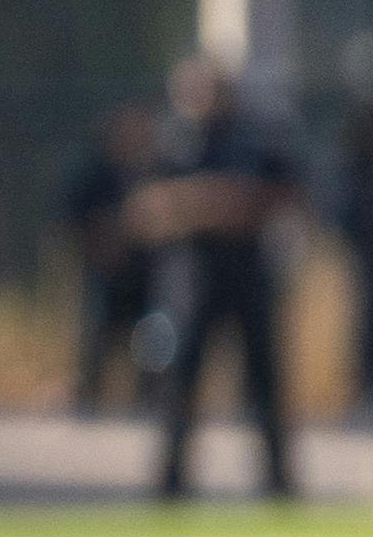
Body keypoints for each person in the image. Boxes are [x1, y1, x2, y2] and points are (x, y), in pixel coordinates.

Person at [137, 47, 300, 502]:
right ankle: (171, 486)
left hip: (247, 277)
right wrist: (208, 202)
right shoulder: (168, 142)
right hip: (189, 281)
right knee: (180, 383)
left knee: (265, 382)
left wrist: (220, 203)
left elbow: (281, 195)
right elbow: (143, 209)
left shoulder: (252, 139)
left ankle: (279, 483)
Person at [62, 103, 157, 413]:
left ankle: (147, 401)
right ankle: (89, 400)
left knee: (150, 339)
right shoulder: (94, 173)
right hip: (105, 272)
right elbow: (71, 221)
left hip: (145, 276)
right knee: (98, 336)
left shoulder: (155, 170)